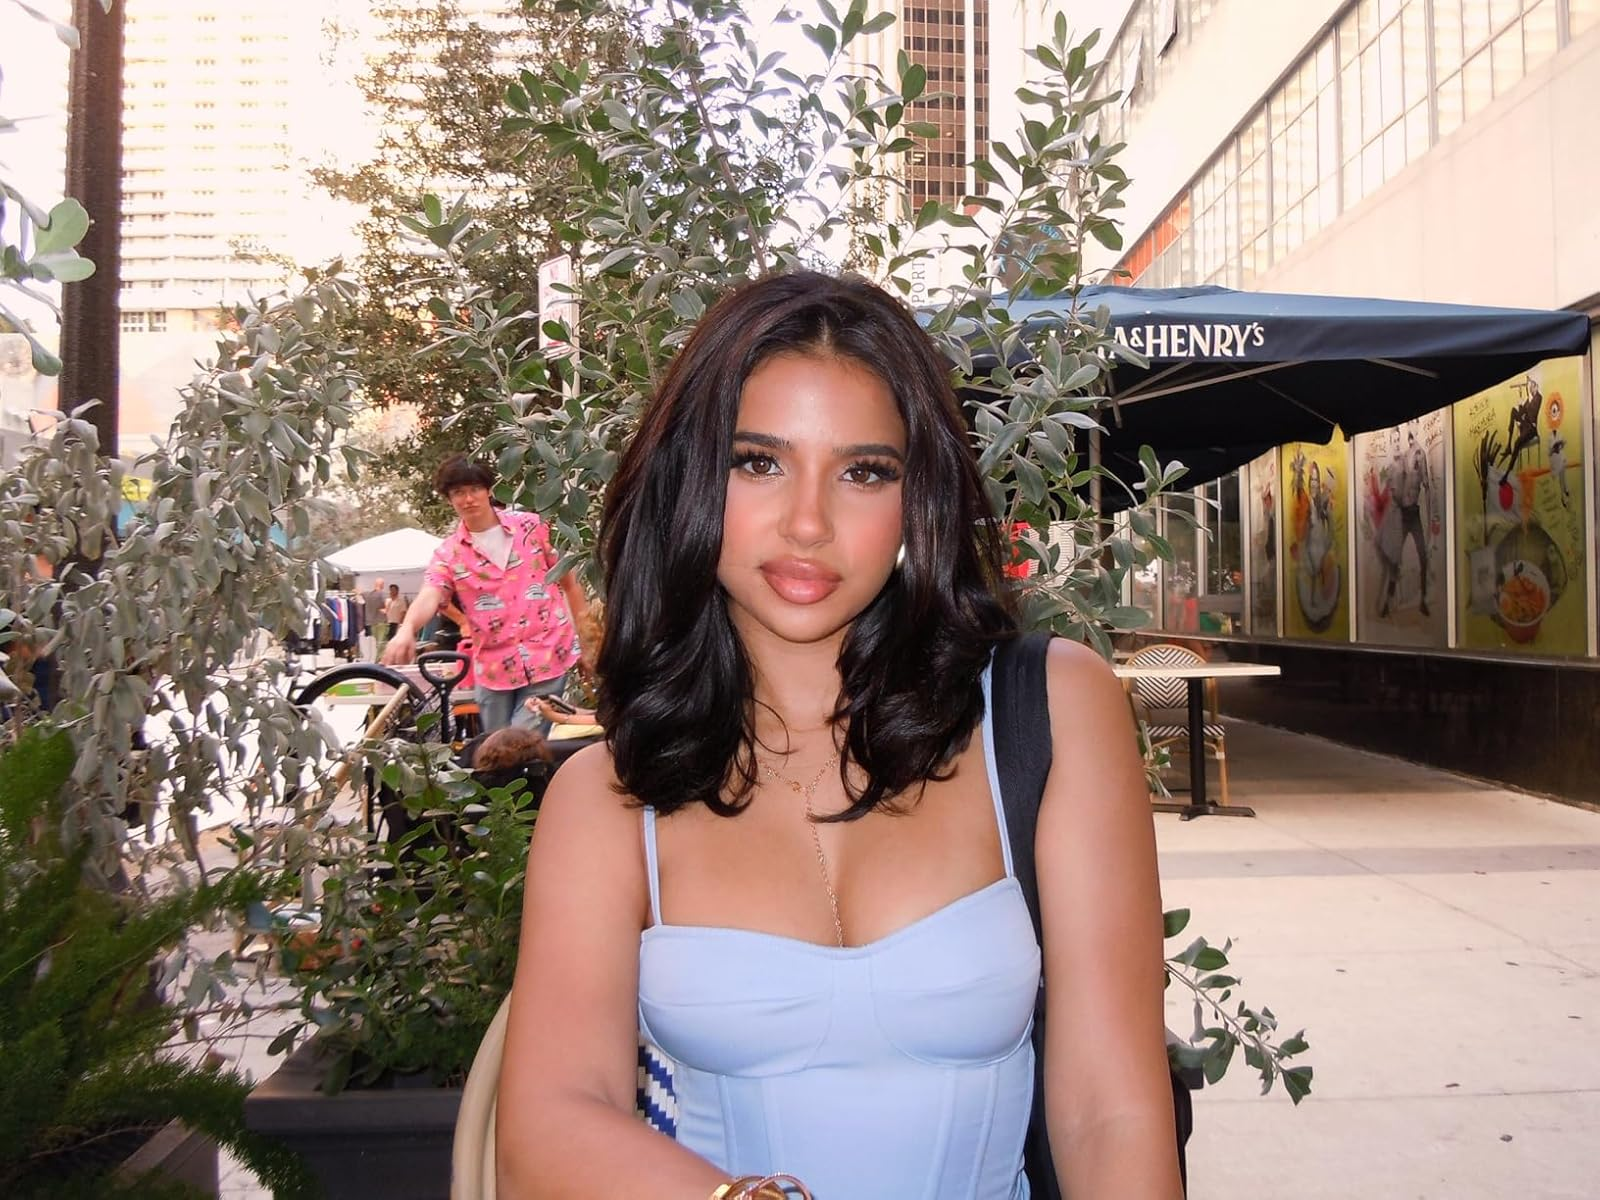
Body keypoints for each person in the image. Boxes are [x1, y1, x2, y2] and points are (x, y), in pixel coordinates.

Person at [496, 272, 1180, 1199]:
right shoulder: (609, 796)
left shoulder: (1050, 712)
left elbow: (1112, 1109)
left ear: (917, 497)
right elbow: (547, 1126)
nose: (808, 524)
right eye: (758, 462)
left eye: (864, 472)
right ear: (691, 476)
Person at [383, 455, 591, 733]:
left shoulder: (533, 527)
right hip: (494, 669)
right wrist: (407, 628)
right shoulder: (449, 553)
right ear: (449, 499)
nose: (468, 499)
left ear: (488, 490)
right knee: (495, 748)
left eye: (475, 489)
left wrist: (588, 642)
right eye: (459, 492)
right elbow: (430, 593)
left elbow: (571, 584)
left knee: (522, 744)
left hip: (548, 655)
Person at [362, 577, 387, 660]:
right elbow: (387, 604)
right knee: (381, 642)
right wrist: (386, 610)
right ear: (382, 585)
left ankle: (372, 658)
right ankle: (378, 659)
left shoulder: (367, 594)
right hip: (380, 622)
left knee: (372, 643)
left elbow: (357, 591)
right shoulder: (382, 594)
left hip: (370, 622)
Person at [382, 583, 407, 653]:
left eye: (393, 590)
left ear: (397, 591)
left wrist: (400, 624)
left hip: (396, 622)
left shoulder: (401, 601)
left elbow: (403, 613)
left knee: (395, 640)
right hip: (388, 623)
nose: (392, 591)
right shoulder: (387, 600)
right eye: (390, 590)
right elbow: (386, 611)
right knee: (388, 640)